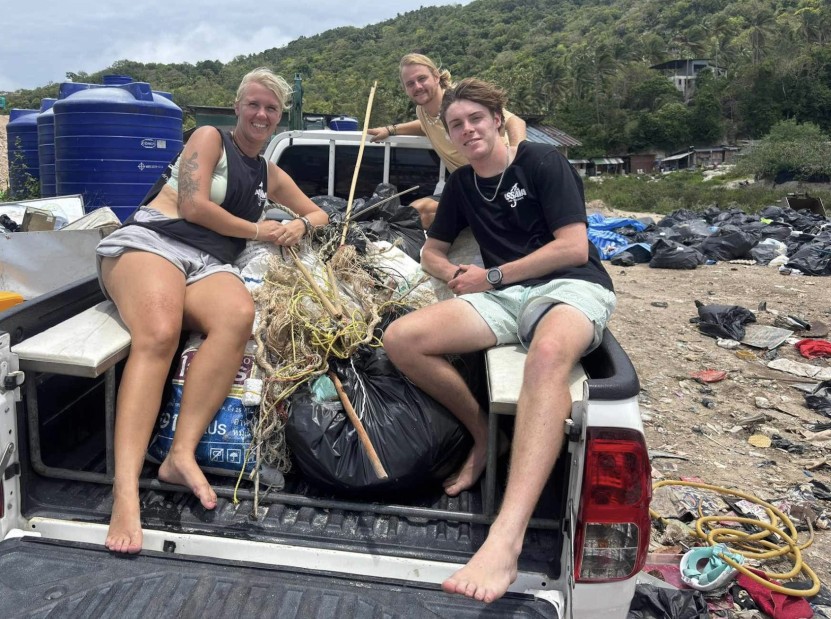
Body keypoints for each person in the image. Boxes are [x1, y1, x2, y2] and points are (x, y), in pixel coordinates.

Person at [382, 78, 616, 603]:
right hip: (505, 293)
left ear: (496, 118)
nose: (467, 131)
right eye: (456, 125)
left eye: (475, 120)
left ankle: (505, 539)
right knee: (403, 339)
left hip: (569, 285)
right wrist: (450, 269)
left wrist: (492, 276)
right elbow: (430, 251)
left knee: (549, 354)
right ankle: (484, 433)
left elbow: (574, 246)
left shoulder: (540, 163)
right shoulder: (463, 184)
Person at [96, 67, 329, 554]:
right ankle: (125, 491)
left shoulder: (270, 172)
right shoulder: (208, 138)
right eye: (253, 104)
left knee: (237, 318)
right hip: (154, 242)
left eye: (271, 108)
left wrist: (300, 227)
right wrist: (263, 231)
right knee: (159, 334)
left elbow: (318, 212)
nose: (261, 115)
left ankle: (180, 453)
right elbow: (195, 205)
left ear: (279, 117)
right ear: (238, 107)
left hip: (207, 262)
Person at [368, 54, 526, 229]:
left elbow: (514, 121)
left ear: (436, 76)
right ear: (405, 89)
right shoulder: (422, 111)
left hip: (497, 180)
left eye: (422, 78)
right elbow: (425, 125)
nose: (417, 86)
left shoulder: (459, 99)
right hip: (467, 186)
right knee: (415, 211)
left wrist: (518, 163)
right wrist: (391, 130)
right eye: (410, 83)